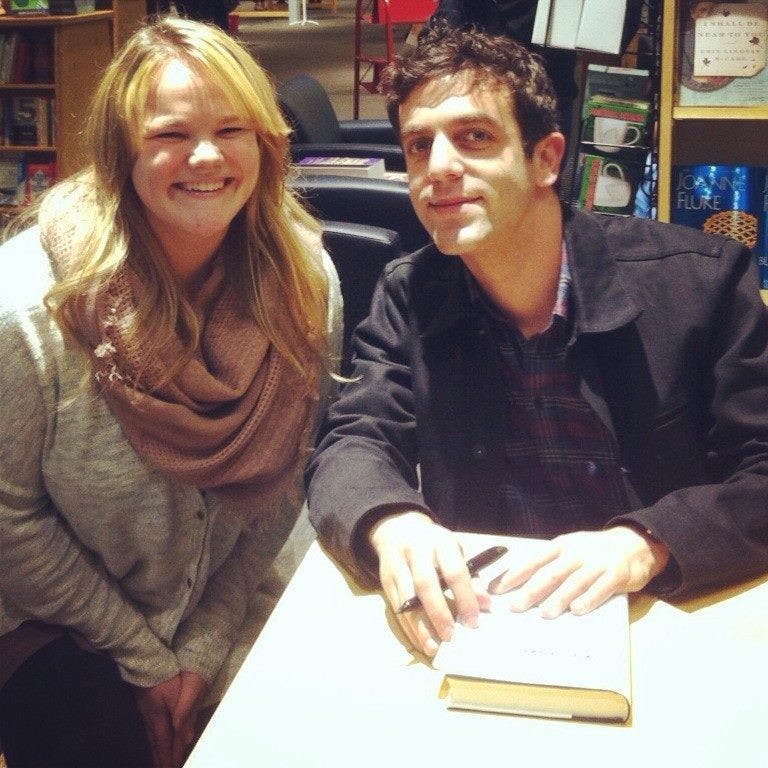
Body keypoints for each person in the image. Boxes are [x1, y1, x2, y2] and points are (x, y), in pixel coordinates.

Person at [306, 23, 768, 660]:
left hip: (666, 614)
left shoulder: (699, 283)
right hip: (491, 618)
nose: (438, 168)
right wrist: (390, 521)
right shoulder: (409, 293)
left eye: (474, 137)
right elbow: (354, 439)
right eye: (418, 145)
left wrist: (649, 542)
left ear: (546, 159)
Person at [0, 17, 341, 768]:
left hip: (228, 595)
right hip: (56, 620)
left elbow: (290, 477)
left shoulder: (305, 281)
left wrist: (205, 645)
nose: (207, 156)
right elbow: (9, 520)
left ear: (266, 143)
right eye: (170, 135)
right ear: (120, 151)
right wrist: (148, 661)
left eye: (232, 129)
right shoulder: (26, 305)